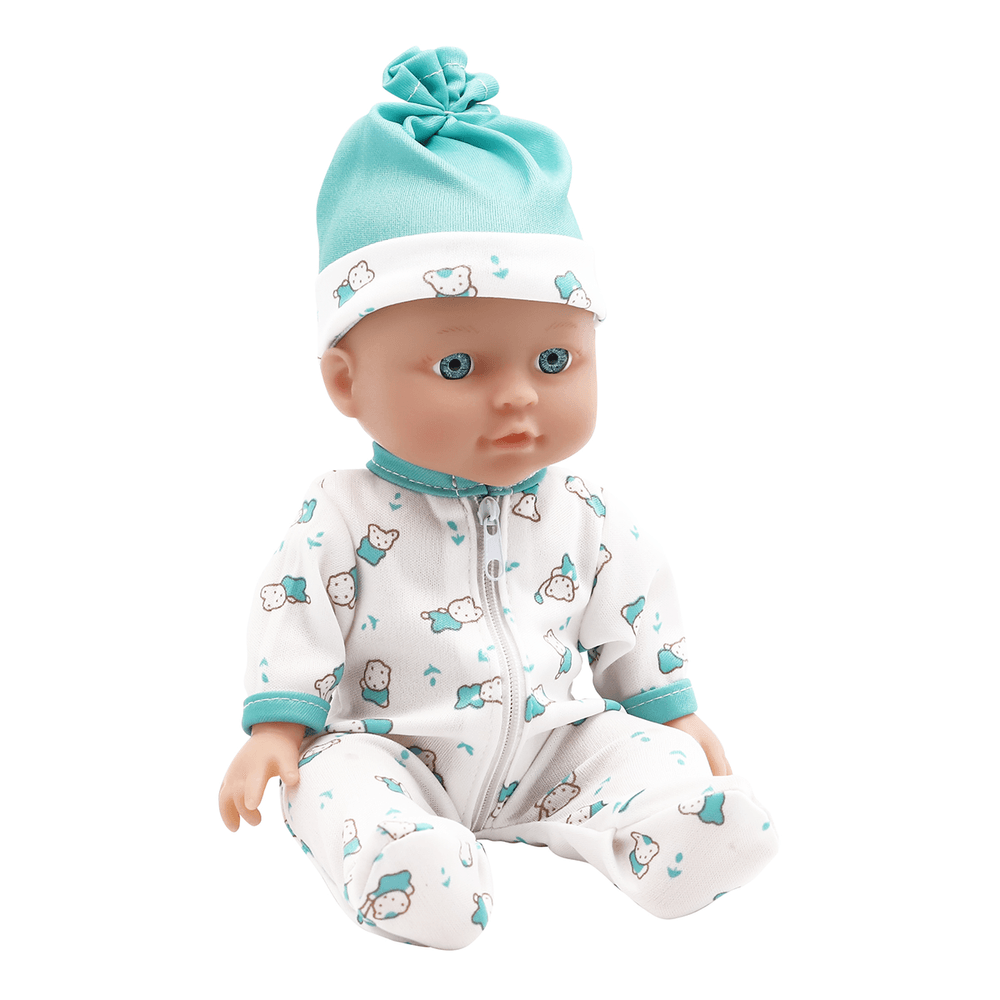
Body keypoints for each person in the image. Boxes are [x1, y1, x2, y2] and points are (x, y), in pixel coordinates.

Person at [219, 46, 777, 949]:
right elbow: (297, 617)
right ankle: (405, 865)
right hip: (391, 751)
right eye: (458, 364)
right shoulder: (341, 513)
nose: (518, 396)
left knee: (648, 756)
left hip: (555, 751)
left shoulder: (585, 513)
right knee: (331, 782)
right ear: (346, 381)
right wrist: (278, 732)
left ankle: (676, 829)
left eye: (554, 359)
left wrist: (671, 716)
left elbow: (634, 613)